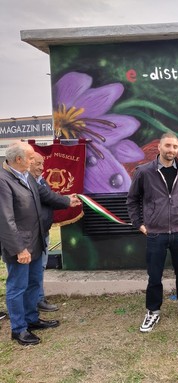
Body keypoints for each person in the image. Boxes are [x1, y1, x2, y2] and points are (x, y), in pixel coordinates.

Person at [0, 141, 81, 346]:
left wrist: (66, 201)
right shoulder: (4, 181)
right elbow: (5, 220)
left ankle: (31, 320)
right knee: (17, 287)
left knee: (33, 283)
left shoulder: (26, 175)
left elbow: (44, 194)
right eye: (30, 158)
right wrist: (19, 249)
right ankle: (18, 330)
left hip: (36, 241)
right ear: (19, 159)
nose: (34, 161)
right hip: (21, 247)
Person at [127, 132, 178, 332]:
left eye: (175, 147)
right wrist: (138, 223)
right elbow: (132, 199)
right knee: (154, 275)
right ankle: (153, 311)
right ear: (159, 147)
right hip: (155, 233)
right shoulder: (143, 172)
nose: (172, 150)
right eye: (168, 146)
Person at [29, 152, 58, 312]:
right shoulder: (28, 182)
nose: (42, 167)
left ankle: (38, 299)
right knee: (33, 269)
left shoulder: (40, 180)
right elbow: (50, 198)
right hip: (32, 235)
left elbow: (50, 197)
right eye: (38, 164)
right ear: (28, 162)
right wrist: (67, 201)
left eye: (42, 164)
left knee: (40, 267)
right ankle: (35, 301)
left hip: (43, 232)